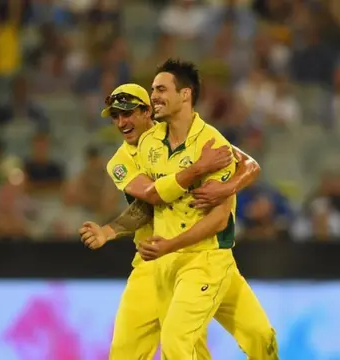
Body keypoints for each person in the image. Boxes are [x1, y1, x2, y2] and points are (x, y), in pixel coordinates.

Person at [78, 83, 263, 359]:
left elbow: (248, 163)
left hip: (199, 257)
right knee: (125, 353)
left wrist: (227, 187)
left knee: (190, 347)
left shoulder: (184, 134)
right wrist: (199, 168)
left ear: (147, 112)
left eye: (127, 114)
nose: (121, 122)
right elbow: (151, 199)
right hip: (152, 261)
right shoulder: (120, 160)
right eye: (115, 116)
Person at [134, 59, 278, 359]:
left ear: (185, 95)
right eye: (152, 90)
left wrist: (170, 244)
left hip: (206, 259)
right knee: (259, 335)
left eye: (161, 89)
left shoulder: (212, 145)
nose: (153, 96)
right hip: (168, 265)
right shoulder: (149, 144)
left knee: (176, 340)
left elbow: (218, 219)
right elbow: (150, 197)